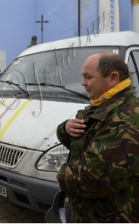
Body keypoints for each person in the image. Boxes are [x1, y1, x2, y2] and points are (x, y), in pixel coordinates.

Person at [56, 52, 139, 223]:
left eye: (88, 77)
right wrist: (65, 128)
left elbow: (89, 178)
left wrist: (61, 175)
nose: (82, 82)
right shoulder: (103, 104)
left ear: (113, 78)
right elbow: (78, 142)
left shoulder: (124, 120)